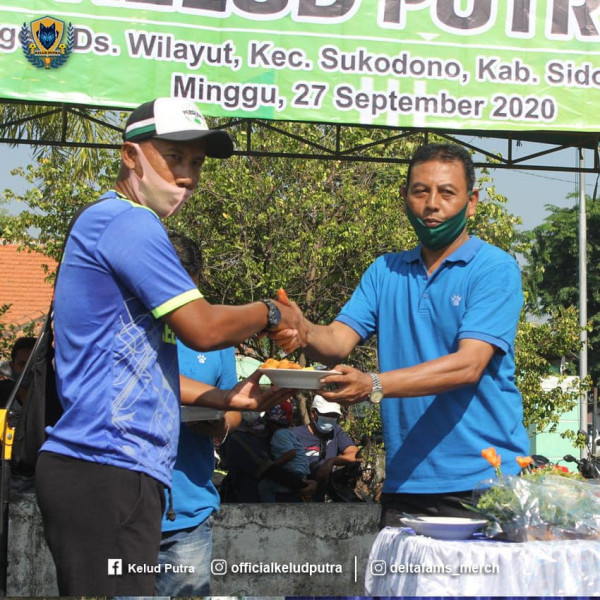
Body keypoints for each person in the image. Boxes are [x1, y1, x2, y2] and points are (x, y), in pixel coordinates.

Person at [34, 97, 305, 596]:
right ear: (131, 156)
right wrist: (271, 312)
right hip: (106, 467)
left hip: (112, 472)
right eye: (172, 157)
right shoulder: (130, 223)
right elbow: (200, 327)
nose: (186, 176)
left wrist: (225, 399)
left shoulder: (112, 222)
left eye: (196, 163)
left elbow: (135, 369)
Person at [273, 142, 530, 525]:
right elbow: (338, 342)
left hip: (485, 481)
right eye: (420, 191)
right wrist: (305, 330)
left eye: (447, 193)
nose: (431, 204)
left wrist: (374, 383)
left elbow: (468, 366)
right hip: (406, 483)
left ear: (471, 202)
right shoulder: (385, 271)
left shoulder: (494, 268)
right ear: (404, 198)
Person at [155, 230, 242, 596]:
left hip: (190, 513)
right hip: (128, 512)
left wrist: (221, 424)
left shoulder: (213, 336)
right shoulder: (127, 325)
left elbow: (233, 403)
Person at [291, 395, 358, 500]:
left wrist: (332, 461)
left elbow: (356, 454)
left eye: (333, 416)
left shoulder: (336, 432)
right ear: (313, 413)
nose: (330, 419)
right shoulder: (294, 435)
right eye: (326, 415)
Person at [257, 399, 312, 502]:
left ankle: (269, 512)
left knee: (264, 486)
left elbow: (291, 453)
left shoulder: (279, 434)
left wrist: (272, 466)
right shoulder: (288, 432)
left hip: (294, 472)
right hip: (300, 472)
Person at [0, 336, 36, 407]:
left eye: (33, 364)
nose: (28, 369)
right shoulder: (3, 395)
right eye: (22, 364)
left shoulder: (55, 397)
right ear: (12, 366)